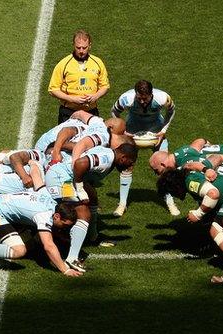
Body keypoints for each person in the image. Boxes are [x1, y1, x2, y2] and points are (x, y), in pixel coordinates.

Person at [0, 170, 81, 276]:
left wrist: (33, 165)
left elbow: (38, 180)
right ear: (57, 216)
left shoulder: (50, 200)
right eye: (64, 225)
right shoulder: (44, 216)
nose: (64, 228)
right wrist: (65, 270)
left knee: (31, 239)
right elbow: (48, 246)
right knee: (19, 250)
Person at [44, 143, 138, 271]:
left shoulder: (110, 155)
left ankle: (92, 236)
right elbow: (80, 164)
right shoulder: (106, 159)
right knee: (83, 212)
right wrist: (80, 187)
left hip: (66, 177)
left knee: (92, 197)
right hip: (61, 179)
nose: (131, 166)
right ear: (123, 158)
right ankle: (71, 257)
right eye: (130, 162)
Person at [111, 80, 179, 217]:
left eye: (145, 98)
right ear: (135, 94)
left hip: (156, 130)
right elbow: (114, 112)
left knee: (164, 166)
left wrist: (163, 130)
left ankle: (170, 202)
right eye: (139, 98)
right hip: (132, 130)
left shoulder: (162, 98)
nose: (142, 101)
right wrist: (123, 131)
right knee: (126, 164)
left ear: (151, 94)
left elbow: (172, 110)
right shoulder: (126, 99)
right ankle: (122, 204)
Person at [48, 30, 110, 123]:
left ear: (90, 45)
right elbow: (53, 89)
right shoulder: (63, 64)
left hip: (91, 112)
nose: (81, 51)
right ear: (73, 45)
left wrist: (95, 96)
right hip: (69, 113)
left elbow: (105, 86)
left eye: (84, 48)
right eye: (78, 47)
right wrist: (72, 99)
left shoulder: (97, 62)